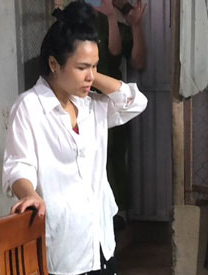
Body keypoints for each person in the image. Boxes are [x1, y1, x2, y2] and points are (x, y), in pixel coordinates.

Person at [3, 1, 148, 275]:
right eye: (82, 67)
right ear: (54, 63)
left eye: (95, 66)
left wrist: (90, 77)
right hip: (63, 245)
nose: (90, 75)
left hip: (100, 240)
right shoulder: (29, 108)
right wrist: (29, 193)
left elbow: (136, 102)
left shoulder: (93, 105)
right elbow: (18, 165)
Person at [90, 0, 146, 222]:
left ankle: (117, 213)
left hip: (109, 98)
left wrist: (131, 24)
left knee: (113, 154)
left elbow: (133, 60)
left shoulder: (123, 18)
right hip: (82, 97)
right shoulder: (84, 15)